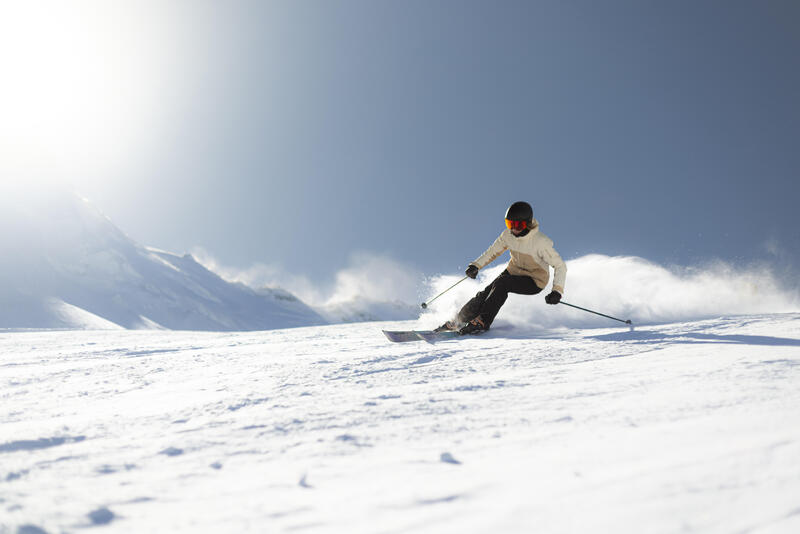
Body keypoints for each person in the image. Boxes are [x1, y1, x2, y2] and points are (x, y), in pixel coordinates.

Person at [438, 201, 567, 335]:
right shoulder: (508, 235)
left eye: (518, 225)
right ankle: (459, 320)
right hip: (513, 271)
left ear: (527, 223)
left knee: (502, 283)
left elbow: (560, 266)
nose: (513, 229)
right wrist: (476, 265)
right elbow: (492, 252)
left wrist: (557, 291)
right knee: (486, 292)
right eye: (510, 224)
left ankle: (483, 321)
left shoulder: (541, 242)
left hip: (534, 280)